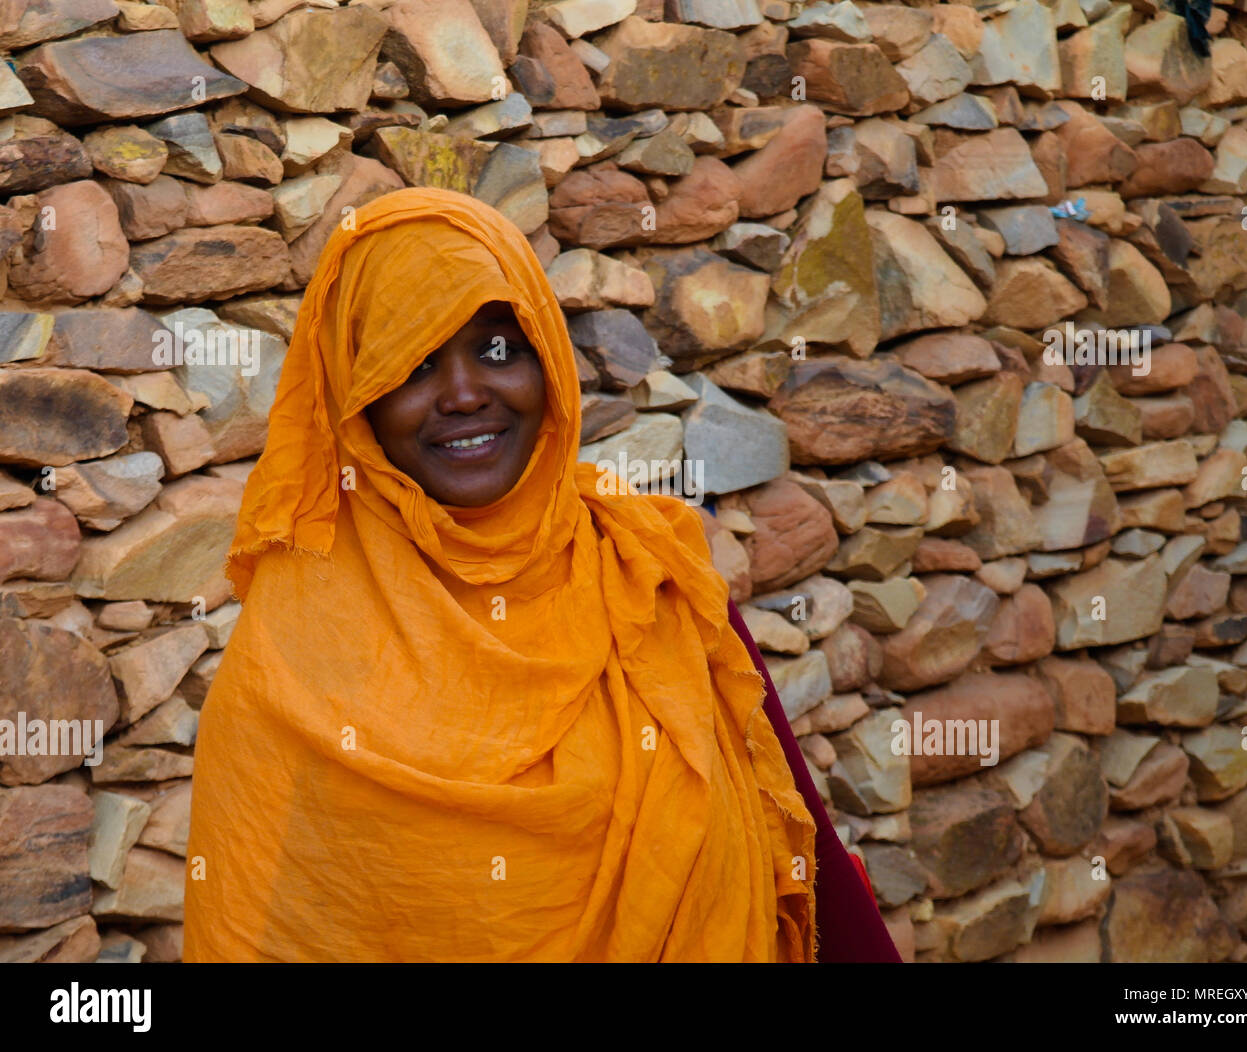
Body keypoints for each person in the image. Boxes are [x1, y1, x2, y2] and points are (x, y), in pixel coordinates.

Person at [183, 187, 900, 963]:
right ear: (354, 395)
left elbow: (807, 867)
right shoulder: (291, 660)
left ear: (550, 363)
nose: (463, 395)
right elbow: (260, 927)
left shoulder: (647, 573)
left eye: (499, 349)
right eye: (412, 362)